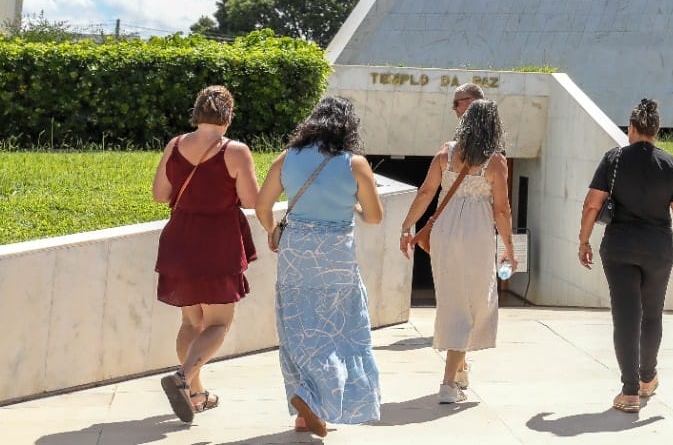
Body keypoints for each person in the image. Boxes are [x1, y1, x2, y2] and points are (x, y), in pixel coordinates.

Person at [256, 95, 385, 437]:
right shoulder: (355, 164)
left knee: (299, 329)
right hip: (335, 256)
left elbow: (262, 204)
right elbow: (374, 216)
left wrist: (273, 230)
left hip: (296, 253)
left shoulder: (287, 158)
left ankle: (305, 410)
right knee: (340, 331)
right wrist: (352, 207)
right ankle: (311, 400)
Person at [578, 98, 673, 414]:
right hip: (659, 250)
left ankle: (629, 392)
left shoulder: (614, 159)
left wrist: (583, 240)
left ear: (631, 128)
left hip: (619, 249)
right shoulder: (670, 165)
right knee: (652, 314)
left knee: (626, 315)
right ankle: (647, 379)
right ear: (656, 131)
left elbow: (592, 203)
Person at [152, 85, 261, 423]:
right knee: (218, 323)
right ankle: (183, 377)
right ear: (227, 117)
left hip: (180, 239)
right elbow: (251, 200)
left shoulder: (175, 145)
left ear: (197, 113)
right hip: (218, 242)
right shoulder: (235, 151)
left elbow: (160, 195)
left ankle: (196, 394)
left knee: (191, 321)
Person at [398, 95, 517, 404]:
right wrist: (509, 248)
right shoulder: (495, 161)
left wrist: (406, 227)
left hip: (444, 232)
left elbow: (426, 193)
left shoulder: (445, 153)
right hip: (476, 234)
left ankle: (460, 370)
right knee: (474, 302)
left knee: (453, 298)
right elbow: (501, 211)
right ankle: (449, 382)